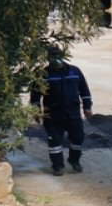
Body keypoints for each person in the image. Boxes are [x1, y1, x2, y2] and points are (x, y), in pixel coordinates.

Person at [30, 47, 93, 176]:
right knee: (55, 142)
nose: (55, 60)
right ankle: (57, 166)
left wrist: (87, 106)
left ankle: (74, 160)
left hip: (73, 113)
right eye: (52, 57)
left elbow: (84, 90)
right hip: (53, 115)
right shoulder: (43, 75)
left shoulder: (74, 71)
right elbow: (35, 96)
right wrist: (36, 111)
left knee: (78, 138)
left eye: (57, 56)